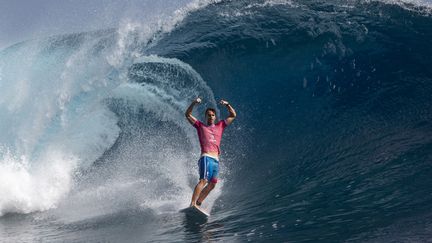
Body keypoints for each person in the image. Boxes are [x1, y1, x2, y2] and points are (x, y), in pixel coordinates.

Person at [185, 97, 236, 207]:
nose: (211, 117)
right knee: (203, 180)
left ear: (215, 116)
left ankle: (198, 203)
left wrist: (227, 104)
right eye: (209, 115)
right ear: (206, 116)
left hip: (216, 160)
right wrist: (194, 103)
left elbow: (233, 115)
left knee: (212, 184)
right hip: (206, 157)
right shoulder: (200, 126)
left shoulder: (220, 125)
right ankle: (192, 203)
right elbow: (187, 115)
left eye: (213, 115)